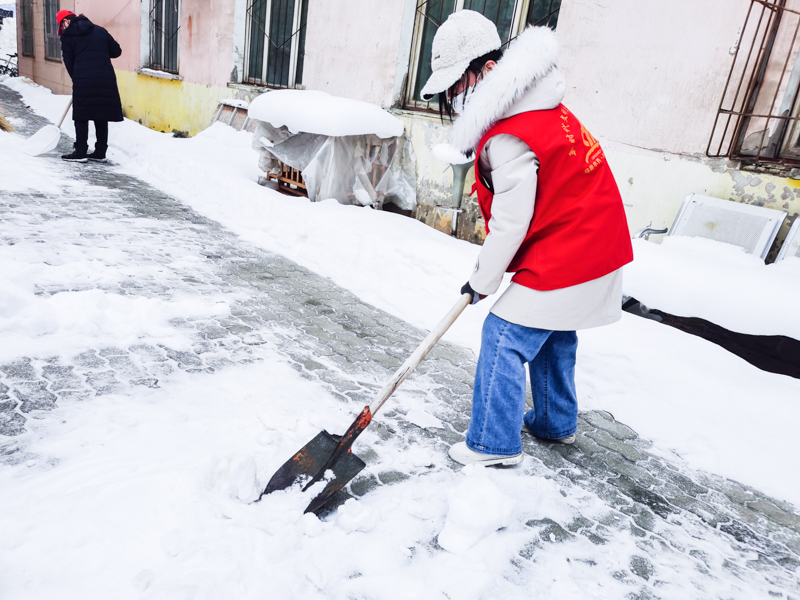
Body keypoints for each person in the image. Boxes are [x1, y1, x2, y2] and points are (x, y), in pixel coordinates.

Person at [420, 11, 633, 466]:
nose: (454, 97)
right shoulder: (541, 106)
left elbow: (512, 223)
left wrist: (482, 279)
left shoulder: (512, 134)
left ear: (489, 71)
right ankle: (556, 423)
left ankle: (493, 444)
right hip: (595, 244)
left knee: (504, 336)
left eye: (457, 85)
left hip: (575, 247)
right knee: (552, 331)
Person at [57, 10, 123, 163]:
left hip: (83, 79)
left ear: (66, 21)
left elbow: (69, 62)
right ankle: (100, 152)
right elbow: (116, 51)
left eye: (62, 25)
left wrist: (78, 79)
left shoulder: (68, 36)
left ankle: (80, 151)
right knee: (101, 115)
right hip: (105, 79)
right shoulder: (100, 31)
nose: (63, 28)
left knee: (81, 115)